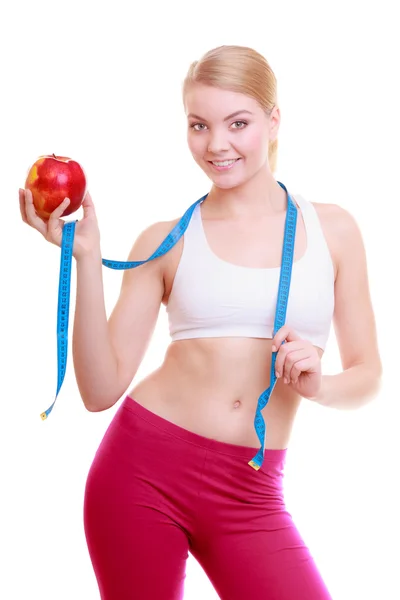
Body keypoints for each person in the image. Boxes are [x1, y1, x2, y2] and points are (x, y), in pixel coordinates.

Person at [19, 45, 382, 600]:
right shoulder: (166, 240)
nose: (217, 144)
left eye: (238, 123)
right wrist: (86, 256)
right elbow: (99, 389)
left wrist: (320, 385)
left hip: (251, 493)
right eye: (199, 125)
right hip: (141, 474)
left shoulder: (332, 231)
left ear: (274, 120)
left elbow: (369, 374)